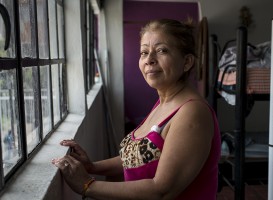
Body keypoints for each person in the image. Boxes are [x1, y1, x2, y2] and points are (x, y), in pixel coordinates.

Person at [52, 18, 221, 200]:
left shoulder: (192, 113)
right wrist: (93, 167)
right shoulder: (164, 102)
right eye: (144, 52)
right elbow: (140, 157)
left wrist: (87, 186)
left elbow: (162, 190)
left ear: (187, 62)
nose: (149, 60)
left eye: (161, 50)